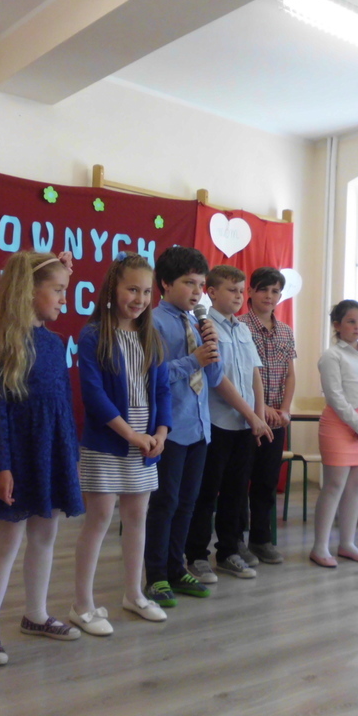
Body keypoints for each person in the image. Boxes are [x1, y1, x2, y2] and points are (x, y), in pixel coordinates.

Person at [0, 250, 84, 666]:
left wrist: (69, 455)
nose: (64, 299)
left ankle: (36, 614)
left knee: (45, 535)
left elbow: (61, 405)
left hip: (51, 451)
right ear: (28, 291)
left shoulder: (54, 343)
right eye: (57, 290)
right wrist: (2, 465)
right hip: (18, 456)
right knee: (8, 541)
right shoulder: (3, 343)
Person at [72, 254, 172, 632]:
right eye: (132, 289)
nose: (140, 299)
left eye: (146, 292)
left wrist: (160, 433)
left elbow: (163, 391)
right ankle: (82, 605)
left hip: (145, 443)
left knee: (136, 518)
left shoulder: (152, 337)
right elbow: (94, 395)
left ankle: (134, 594)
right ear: (113, 288)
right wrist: (130, 434)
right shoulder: (94, 335)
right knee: (98, 520)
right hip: (108, 441)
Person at [144, 245, 224, 608]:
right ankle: (156, 575)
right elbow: (152, 376)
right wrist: (193, 360)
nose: (197, 292)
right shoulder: (154, 323)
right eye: (189, 283)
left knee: (188, 502)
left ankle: (177, 568)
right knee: (165, 503)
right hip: (170, 428)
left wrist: (213, 346)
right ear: (165, 283)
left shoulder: (198, 323)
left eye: (201, 285)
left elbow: (214, 376)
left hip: (199, 427)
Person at [186, 265, 272, 581]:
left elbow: (254, 374)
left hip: (245, 425)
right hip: (217, 423)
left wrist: (258, 416)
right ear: (211, 292)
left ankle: (228, 551)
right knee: (207, 493)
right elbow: (217, 379)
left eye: (240, 290)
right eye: (231, 290)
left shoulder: (244, 329)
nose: (238, 296)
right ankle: (196, 555)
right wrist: (250, 415)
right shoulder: (204, 326)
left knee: (236, 493)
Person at [310, 299, 358, 568]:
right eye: (351, 321)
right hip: (340, 425)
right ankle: (320, 547)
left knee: (356, 486)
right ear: (337, 325)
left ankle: (347, 544)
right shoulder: (331, 356)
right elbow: (335, 396)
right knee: (334, 486)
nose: (357, 326)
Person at [238, 267, 297, 565]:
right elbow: (241, 375)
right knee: (239, 481)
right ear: (250, 291)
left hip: (276, 421)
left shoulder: (285, 331)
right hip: (246, 419)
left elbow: (290, 374)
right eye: (263, 289)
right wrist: (262, 411)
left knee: (266, 481)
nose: (269, 296)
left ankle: (261, 539)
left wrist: (284, 409)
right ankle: (236, 541)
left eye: (275, 291)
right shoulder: (239, 326)